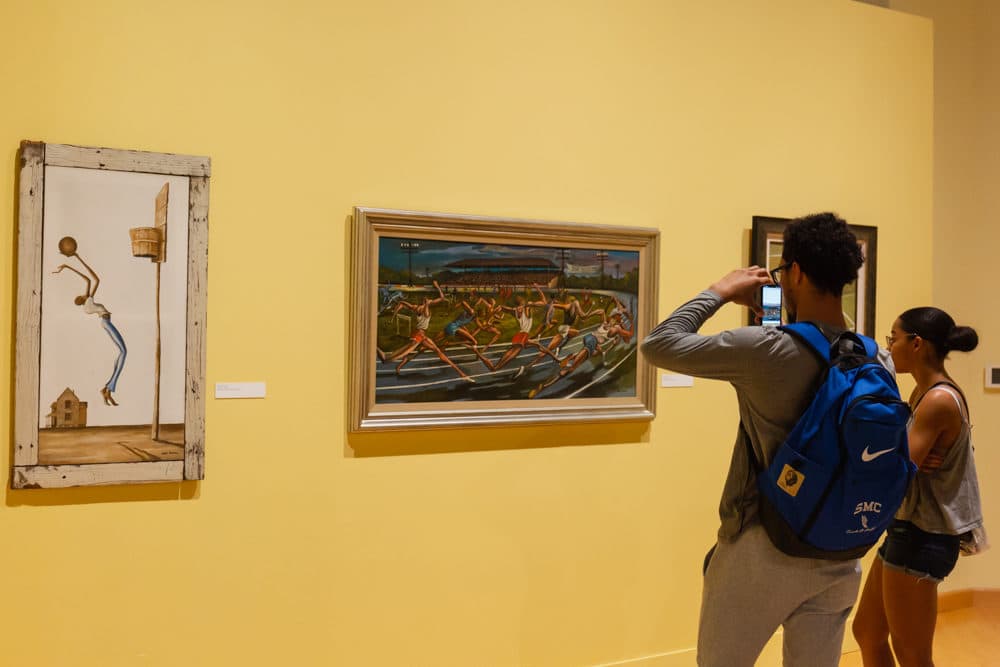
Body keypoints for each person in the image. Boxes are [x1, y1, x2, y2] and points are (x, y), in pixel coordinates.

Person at [640, 212, 879, 667]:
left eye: (783, 271)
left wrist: (720, 290)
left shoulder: (765, 351)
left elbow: (658, 343)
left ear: (799, 273)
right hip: (842, 551)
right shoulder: (875, 356)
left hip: (763, 547)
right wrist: (774, 319)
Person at [852, 307, 986, 667]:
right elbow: (902, 459)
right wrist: (898, 453)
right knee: (867, 631)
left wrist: (894, 455)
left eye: (892, 339)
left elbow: (895, 470)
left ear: (916, 344)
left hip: (924, 536)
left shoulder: (939, 400)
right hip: (907, 527)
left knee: (912, 656)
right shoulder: (921, 393)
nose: (889, 347)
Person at [53, 239, 127, 407]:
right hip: (106, 323)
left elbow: (86, 280)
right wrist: (77, 259)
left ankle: (107, 390)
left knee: (121, 353)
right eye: (82, 295)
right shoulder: (89, 303)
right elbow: (94, 279)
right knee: (124, 352)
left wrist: (69, 266)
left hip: (105, 322)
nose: (84, 293)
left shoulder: (87, 305)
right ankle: (108, 387)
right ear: (81, 299)